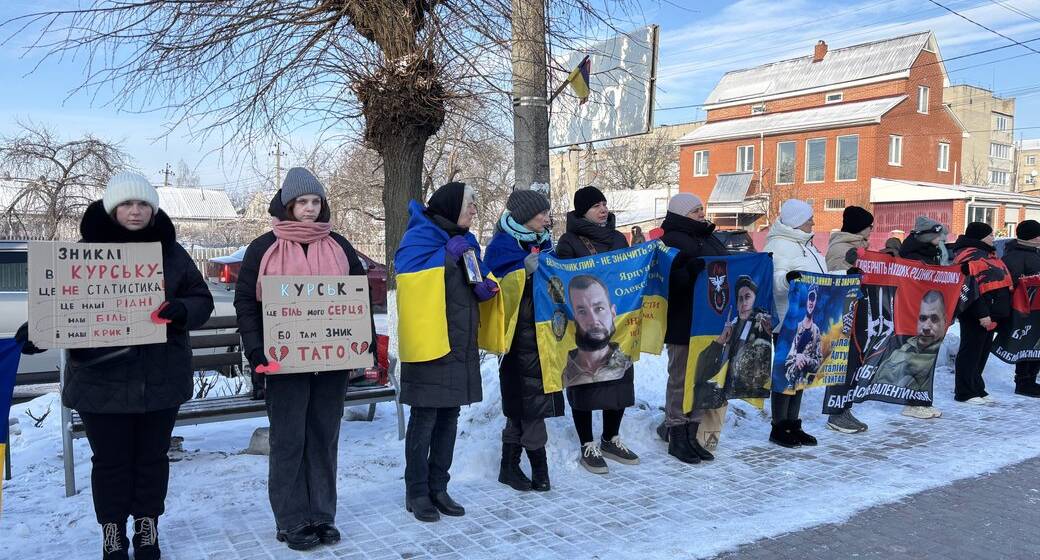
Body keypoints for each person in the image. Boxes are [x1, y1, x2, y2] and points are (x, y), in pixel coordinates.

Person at [19, 172, 215, 560]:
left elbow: (202, 300)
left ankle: (147, 527)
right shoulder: (81, 253)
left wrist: (181, 310)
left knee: (151, 459)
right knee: (109, 463)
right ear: (112, 208)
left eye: (143, 204)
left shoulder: (173, 254)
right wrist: (37, 328)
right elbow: (60, 303)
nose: (136, 211)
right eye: (127, 203)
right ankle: (112, 531)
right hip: (100, 381)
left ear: (153, 209)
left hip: (159, 378)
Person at [234, 168, 371, 550]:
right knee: (289, 440)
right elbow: (246, 301)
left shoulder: (339, 246)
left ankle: (322, 514)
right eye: (301, 202)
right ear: (288, 204)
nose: (309, 209)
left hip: (331, 363)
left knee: (324, 437)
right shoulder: (264, 248)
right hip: (282, 363)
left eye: (315, 202)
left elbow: (358, 299)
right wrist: (255, 347)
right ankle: (292, 519)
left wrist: (360, 343)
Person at [396, 181, 498, 521]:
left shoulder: (467, 242)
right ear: (452, 205)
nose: (474, 209)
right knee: (424, 416)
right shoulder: (420, 237)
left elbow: (474, 279)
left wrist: (485, 285)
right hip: (429, 343)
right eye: (470, 203)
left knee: (449, 417)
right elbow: (409, 282)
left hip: (459, 342)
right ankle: (417, 491)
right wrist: (444, 259)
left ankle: (439, 486)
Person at [554, 185, 638, 475]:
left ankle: (610, 438)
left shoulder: (617, 238)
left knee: (619, 380)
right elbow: (564, 279)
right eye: (595, 206)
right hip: (585, 324)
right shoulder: (569, 241)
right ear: (582, 212)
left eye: (604, 204)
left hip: (617, 321)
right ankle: (587, 443)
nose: (603, 209)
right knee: (586, 383)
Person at [485, 189, 564, 492]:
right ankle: (539, 471)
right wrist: (521, 271)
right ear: (524, 217)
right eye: (541, 214)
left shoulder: (544, 244)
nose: (547, 218)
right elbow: (492, 292)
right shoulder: (501, 247)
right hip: (516, 340)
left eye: (546, 213)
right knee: (529, 407)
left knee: (524, 406)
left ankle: (509, 466)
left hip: (543, 336)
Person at [657, 193, 727, 464]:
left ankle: (693, 432)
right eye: (695, 210)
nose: (701, 213)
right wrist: (689, 273)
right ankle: (676, 433)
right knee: (680, 379)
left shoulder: (708, 236)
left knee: (702, 378)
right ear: (681, 214)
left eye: (701, 208)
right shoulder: (670, 240)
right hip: (682, 320)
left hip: (710, 321)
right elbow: (666, 280)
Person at [763, 199, 826, 448]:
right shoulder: (779, 245)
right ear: (798, 221)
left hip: (808, 319)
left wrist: (846, 276)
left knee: (801, 373)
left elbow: (821, 277)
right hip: (787, 321)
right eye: (809, 218)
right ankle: (779, 427)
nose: (813, 221)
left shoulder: (806, 245)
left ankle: (793, 423)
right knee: (785, 373)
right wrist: (788, 279)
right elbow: (774, 279)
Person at [949, 222, 1012, 405]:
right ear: (980, 237)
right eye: (990, 235)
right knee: (970, 351)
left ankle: (977, 387)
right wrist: (982, 313)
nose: (993, 237)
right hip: (976, 312)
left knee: (981, 352)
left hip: (992, 312)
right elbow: (969, 288)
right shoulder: (969, 256)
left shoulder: (987, 254)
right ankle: (964, 392)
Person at [823, 206, 873, 433]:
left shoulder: (860, 247)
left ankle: (845, 408)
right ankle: (835, 413)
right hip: (844, 313)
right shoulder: (841, 249)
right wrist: (849, 275)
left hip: (859, 310)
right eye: (869, 226)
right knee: (843, 361)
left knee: (855, 361)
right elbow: (834, 279)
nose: (872, 230)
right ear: (860, 227)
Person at [896, 216, 949, 420]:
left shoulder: (933, 252)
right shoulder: (912, 253)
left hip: (930, 307)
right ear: (927, 235)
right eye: (938, 234)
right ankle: (912, 402)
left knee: (927, 357)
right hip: (915, 311)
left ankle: (922, 399)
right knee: (917, 358)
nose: (941, 238)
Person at [693, 275, 773, 409]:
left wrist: (769, 330)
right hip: (727, 385)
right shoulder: (732, 326)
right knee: (699, 390)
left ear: (755, 300)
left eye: (748, 297)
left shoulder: (761, 323)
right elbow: (700, 373)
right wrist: (719, 343)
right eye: (740, 299)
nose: (743, 303)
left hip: (748, 386)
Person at [562, 275, 633, 387]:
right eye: (582, 311)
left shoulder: (626, 364)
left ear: (613, 312)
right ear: (574, 317)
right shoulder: (563, 370)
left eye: (599, 309)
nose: (593, 320)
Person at [872, 291, 948, 391]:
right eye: (923, 318)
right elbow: (879, 384)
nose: (926, 327)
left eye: (934, 319)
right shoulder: (900, 352)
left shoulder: (945, 354)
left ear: (945, 321)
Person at [1001, 219, 1040, 397]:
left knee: (1035, 346)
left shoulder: (1031, 253)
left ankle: (1031, 379)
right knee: (1026, 345)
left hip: (1034, 310)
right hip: (1025, 311)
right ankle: (1024, 382)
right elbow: (1012, 283)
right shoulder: (1016, 256)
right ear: (1033, 238)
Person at [783, 285, 823, 391]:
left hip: (803, 384)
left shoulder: (816, 331)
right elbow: (784, 358)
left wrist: (806, 359)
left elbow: (818, 363)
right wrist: (797, 358)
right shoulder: (795, 327)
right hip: (787, 384)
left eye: (813, 299)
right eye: (810, 298)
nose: (811, 302)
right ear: (806, 301)